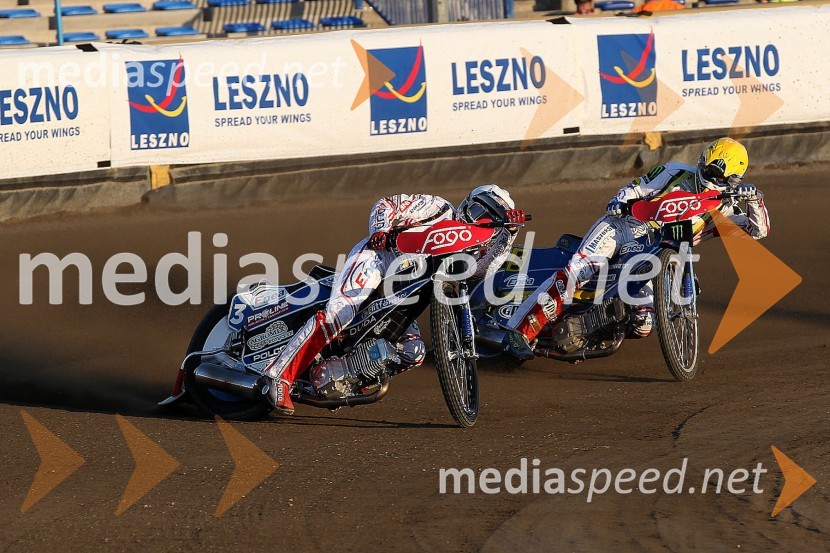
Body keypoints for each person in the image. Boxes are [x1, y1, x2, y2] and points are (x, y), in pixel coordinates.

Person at [262, 185, 522, 414]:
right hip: (378, 257)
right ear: (467, 203)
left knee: (413, 352)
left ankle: (343, 377)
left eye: (489, 221)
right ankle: (278, 377)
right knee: (340, 314)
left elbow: (479, 271)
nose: (478, 221)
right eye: (478, 212)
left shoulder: (476, 245)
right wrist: (381, 230)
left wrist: (508, 235)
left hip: (403, 290)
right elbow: (387, 204)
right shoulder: (439, 207)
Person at [503, 137, 770, 359]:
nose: (705, 174)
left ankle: (590, 329)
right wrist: (621, 201)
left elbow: (758, 230)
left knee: (643, 323)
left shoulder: (726, 210)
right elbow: (637, 188)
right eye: (704, 166)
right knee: (577, 271)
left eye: (714, 173)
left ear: (732, 180)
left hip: (658, 258)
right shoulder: (676, 172)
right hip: (626, 227)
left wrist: (755, 200)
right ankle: (520, 332)